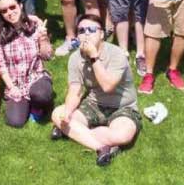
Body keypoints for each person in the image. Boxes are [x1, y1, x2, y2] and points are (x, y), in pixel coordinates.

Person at [51, 14, 141, 167]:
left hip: (122, 107)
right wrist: (68, 112)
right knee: (57, 114)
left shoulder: (117, 54)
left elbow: (107, 86)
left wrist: (93, 57)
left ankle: (74, 132)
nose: (86, 33)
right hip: (94, 104)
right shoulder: (75, 58)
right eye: (82, 30)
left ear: (101, 34)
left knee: (123, 135)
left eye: (92, 29)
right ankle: (102, 147)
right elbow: (75, 90)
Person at [0, 0, 54, 128]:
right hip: (16, 83)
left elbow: (47, 56)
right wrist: (12, 87)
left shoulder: (35, 25)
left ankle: (38, 106)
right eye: (4, 11)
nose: (9, 12)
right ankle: (28, 102)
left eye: (12, 7)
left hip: (36, 77)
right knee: (15, 121)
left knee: (41, 95)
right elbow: (0, 65)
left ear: (20, 5)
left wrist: (43, 39)